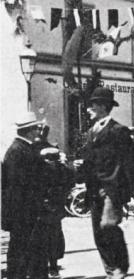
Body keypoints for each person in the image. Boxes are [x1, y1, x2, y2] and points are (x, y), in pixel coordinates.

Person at [74, 87, 134, 279]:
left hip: (113, 187)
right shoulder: (90, 133)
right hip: (94, 188)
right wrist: (80, 167)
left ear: (102, 107)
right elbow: (89, 160)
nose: (88, 109)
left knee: (108, 225)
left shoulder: (118, 131)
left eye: (92, 105)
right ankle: (110, 270)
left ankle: (121, 265)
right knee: (97, 232)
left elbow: (130, 161)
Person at [2, 112, 48, 279]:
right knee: (20, 251)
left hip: (24, 210)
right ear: (30, 130)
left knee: (26, 250)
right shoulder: (19, 151)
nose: (39, 131)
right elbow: (18, 185)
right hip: (23, 211)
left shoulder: (22, 149)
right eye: (37, 128)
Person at [30, 146, 74, 279]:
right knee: (55, 237)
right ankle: (54, 267)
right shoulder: (64, 169)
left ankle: (46, 268)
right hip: (57, 209)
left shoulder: (44, 170)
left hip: (44, 209)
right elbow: (69, 184)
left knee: (43, 238)